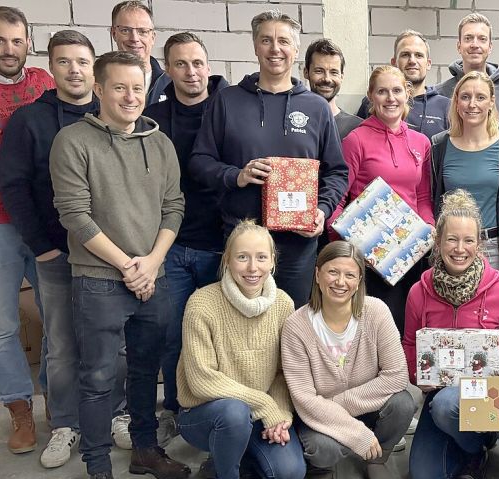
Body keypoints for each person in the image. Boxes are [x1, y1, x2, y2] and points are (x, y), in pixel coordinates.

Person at [50, 51, 189, 479]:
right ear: (99, 89)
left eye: (137, 88)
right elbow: (75, 214)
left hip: (154, 276)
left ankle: (146, 450)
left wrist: (151, 263)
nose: (130, 97)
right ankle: (98, 474)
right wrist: (128, 265)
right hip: (98, 281)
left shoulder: (161, 143)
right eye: (119, 88)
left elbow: (174, 207)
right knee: (97, 379)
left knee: (147, 371)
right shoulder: (72, 142)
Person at [0, 30, 118, 469]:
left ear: (94, 68)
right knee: (63, 343)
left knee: (112, 340)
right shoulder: (30, 120)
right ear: (50, 67)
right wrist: (43, 247)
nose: (74, 70)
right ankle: (65, 424)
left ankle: (116, 415)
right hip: (58, 254)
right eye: (64, 62)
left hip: (110, 256)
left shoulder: (113, 118)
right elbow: (14, 187)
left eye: (82, 62)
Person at [190, 10, 349, 306]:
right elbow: (200, 161)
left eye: (284, 41)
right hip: (243, 242)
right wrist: (236, 175)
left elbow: (337, 172)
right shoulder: (227, 101)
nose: (275, 49)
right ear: (255, 46)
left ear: (296, 49)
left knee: (292, 328)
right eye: (266, 40)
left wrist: (322, 210)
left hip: (298, 245)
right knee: (240, 328)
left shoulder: (316, 108)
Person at [177, 221, 304, 479]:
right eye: (242, 257)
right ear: (227, 261)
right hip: (206, 415)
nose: (252, 267)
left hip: (257, 415)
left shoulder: (284, 305)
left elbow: (283, 373)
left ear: (273, 261)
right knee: (233, 413)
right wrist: (264, 404)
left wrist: (282, 414)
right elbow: (201, 379)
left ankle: (237, 453)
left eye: (261, 257)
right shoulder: (202, 303)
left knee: (289, 473)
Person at [0, 6, 54, 455]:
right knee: (1, 326)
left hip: (43, 222)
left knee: (57, 317)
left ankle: (56, 403)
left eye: (16, 41)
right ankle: (19, 410)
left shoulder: (44, 83)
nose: (9, 50)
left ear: (28, 41)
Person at [405, 190, 499, 479]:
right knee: (424, 477)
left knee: (447, 407)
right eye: (452, 240)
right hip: (439, 396)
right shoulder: (419, 293)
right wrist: (421, 378)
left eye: (468, 240)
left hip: (489, 398)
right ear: (439, 242)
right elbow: (409, 345)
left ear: (480, 243)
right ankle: (470, 438)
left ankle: (476, 450)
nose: (460, 249)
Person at [144, 32, 229, 447]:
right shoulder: (152, 118)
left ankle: (220, 410)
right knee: (172, 333)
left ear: (209, 66)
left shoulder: (230, 109)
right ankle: (175, 410)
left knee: (220, 336)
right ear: (168, 68)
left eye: (197, 63)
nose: (191, 72)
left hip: (222, 244)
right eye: (180, 64)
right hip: (172, 244)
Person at [281, 241, 414, 479]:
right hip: (317, 417)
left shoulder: (376, 312)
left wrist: (338, 405)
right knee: (322, 449)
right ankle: (321, 464)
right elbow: (304, 398)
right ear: (317, 274)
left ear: (359, 280)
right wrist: (357, 435)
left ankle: (377, 460)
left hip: (358, 407)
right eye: (333, 272)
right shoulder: (296, 326)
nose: (340, 282)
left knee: (403, 403)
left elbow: (397, 374)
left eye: (350, 274)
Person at [331, 65, 432, 333]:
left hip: (410, 255)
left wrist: (428, 228)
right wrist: (348, 246)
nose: (390, 98)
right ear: (371, 96)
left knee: (406, 326)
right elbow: (338, 199)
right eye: (382, 92)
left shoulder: (421, 142)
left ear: (407, 95)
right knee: (374, 331)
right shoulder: (356, 140)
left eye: (397, 91)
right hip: (369, 259)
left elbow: (422, 196)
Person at [431, 71, 499, 283]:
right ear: (456, 102)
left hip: (494, 249)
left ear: (492, 102)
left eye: (480, 97)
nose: (472, 104)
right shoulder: (439, 145)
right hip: (454, 249)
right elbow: (432, 198)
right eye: (465, 97)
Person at [357, 29, 450, 139]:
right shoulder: (373, 102)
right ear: (393, 62)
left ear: (428, 64)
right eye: (405, 55)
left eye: (419, 55)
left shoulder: (446, 106)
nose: (412, 61)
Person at [434, 13, 499, 128]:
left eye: (482, 39)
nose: (475, 44)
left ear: (490, 47)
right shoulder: (440, 93)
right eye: (468, 38)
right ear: (459, 46)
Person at [110, 1, 170, 106]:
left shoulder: (171, 84)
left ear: (153, 37)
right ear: (114, 34)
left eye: (143, 31)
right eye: (125, 30)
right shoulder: (99, 82)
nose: (134, 39)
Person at [303, 38, 362, 140]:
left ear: (342, 76)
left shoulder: (357, 128)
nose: (327, 79)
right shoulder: (296, 123)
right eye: (319, 71)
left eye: (334, 72)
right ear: (306, 72)